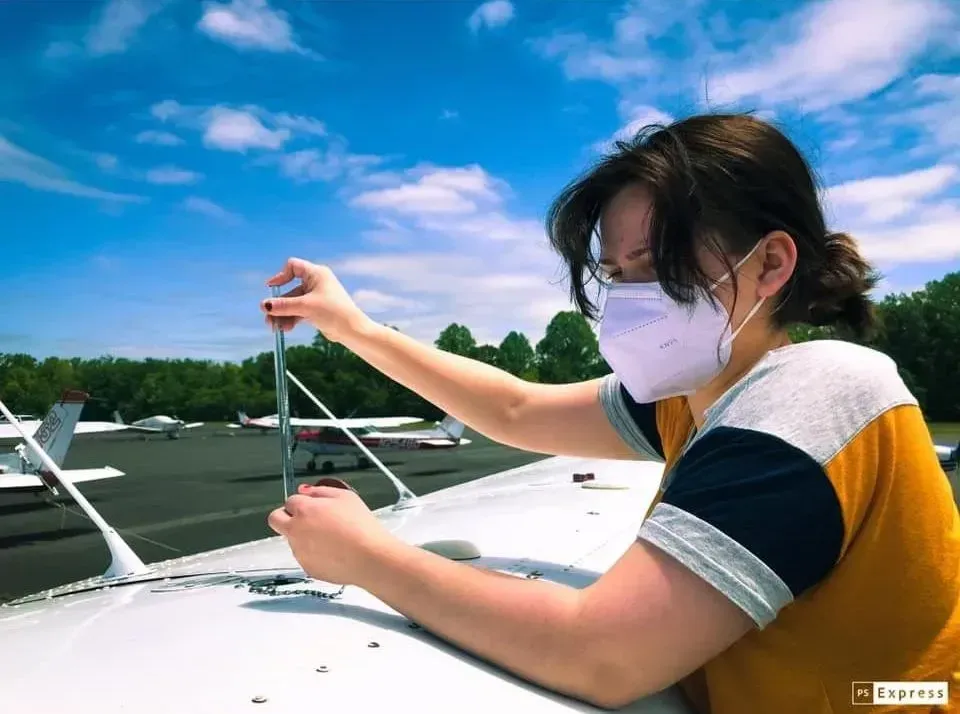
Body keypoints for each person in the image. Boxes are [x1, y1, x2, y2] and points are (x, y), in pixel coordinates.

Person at [260, 113, 960, 713]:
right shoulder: (696, 396)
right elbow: (514, 407)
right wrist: (352, 327)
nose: (626, 297)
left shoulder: (819, 391)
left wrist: (366, 556)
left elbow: (604, 654)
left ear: (771, 264)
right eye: (617, 274)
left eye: (654, 264)